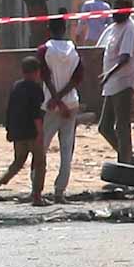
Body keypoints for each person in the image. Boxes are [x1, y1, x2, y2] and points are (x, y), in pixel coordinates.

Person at [37, 16, 84, 203]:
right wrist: (63, 99)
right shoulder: (73, 50)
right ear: (64, 29)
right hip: (71, 102)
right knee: (66, 148)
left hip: (50, 104)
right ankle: (60, 191)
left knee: (42, 147)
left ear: (49, 29)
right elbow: (76, 79)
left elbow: (44, 76)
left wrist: (56, 99)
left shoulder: (44, 50)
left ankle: (37, 188)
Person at [0, 57, 48, 206]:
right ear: (37, 72)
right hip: (32, 132)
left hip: (18, 132)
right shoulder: (36, 89)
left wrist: (10, 130)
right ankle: (37, 196)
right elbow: (36, 113)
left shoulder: (16, 86)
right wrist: (40, 133)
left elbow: (10, 110)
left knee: (18, 162)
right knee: (40, 164)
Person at [96, 0, 134, 163]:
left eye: (119, 9)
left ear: (128, 11)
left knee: (122, 126)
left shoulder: (129, 29)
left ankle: (125, 164)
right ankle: (131, 160)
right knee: (104, 127)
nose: (115, 12)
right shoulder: (113, 28)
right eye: (114, 9)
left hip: (123, 81)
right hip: (111, 84)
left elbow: (125, 57)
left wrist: (109, 73)